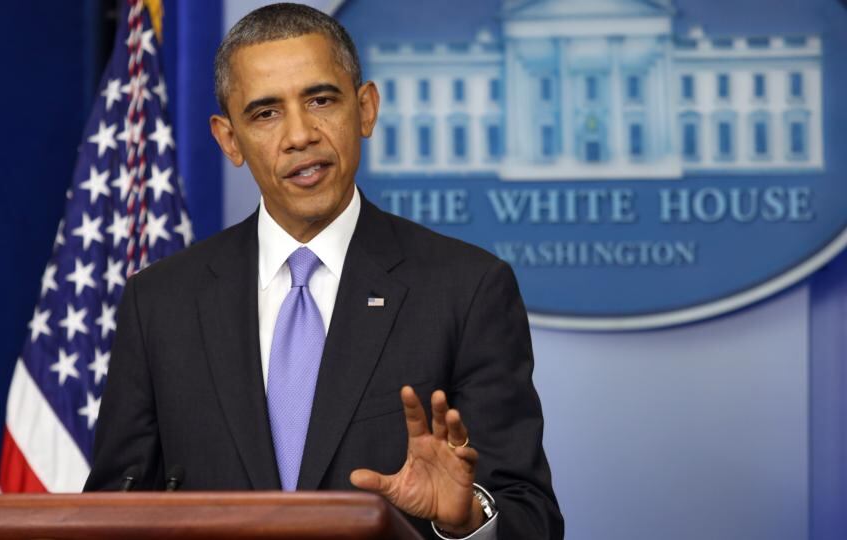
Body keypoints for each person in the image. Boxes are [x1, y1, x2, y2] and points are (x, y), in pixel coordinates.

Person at [85, 4, 563, 538]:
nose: (299, 135)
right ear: (228, 139)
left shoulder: (466, 288)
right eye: (265, 113)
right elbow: (113, 510)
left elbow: (531, 517)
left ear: (365, 108)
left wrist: (467, 520)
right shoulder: (161, 303)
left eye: (320, 100)